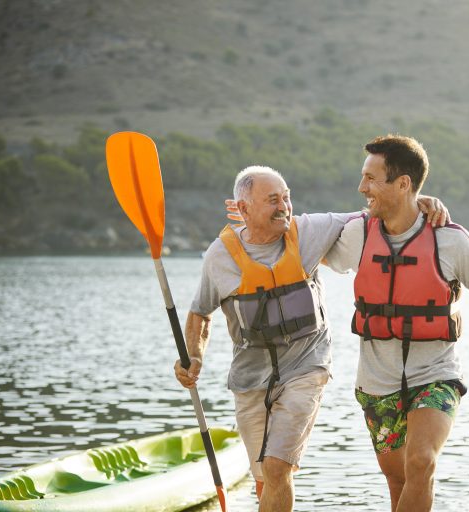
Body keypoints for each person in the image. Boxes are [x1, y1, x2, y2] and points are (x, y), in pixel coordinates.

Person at [175, 165, 448, 512]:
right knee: (265, 480)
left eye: (286, 198)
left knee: (277, 467)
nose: (284, 207)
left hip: (307, 368)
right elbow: (200, 312)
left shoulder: (308, 231)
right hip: (250, 380)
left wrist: (415, 201)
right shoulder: (221, 256)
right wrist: (194, 356)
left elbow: (371, 215)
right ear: (244, 209)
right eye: (272, 200)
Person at [322, 135, 469, 512]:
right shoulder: (358, 235)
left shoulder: (450, 240)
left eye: (371, 178)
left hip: (436, 375)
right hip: (377, 381)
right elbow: (311, 249)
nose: (362, 187)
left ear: (403, 184)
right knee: (398, 479)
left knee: (421, 462)